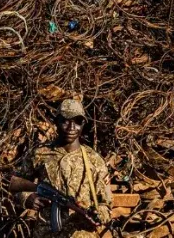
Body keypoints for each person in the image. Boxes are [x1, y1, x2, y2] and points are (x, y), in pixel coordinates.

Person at [14, 99, 112, 237]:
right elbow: (16, 184)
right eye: (65, 120)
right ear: (56, 122)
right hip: (47, 232)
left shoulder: (94, 160)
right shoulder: (39, 154)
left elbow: (106, 204)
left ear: (83, 123)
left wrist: (98, 215)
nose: (72, 127)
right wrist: (27, 198)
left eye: (78, 121)